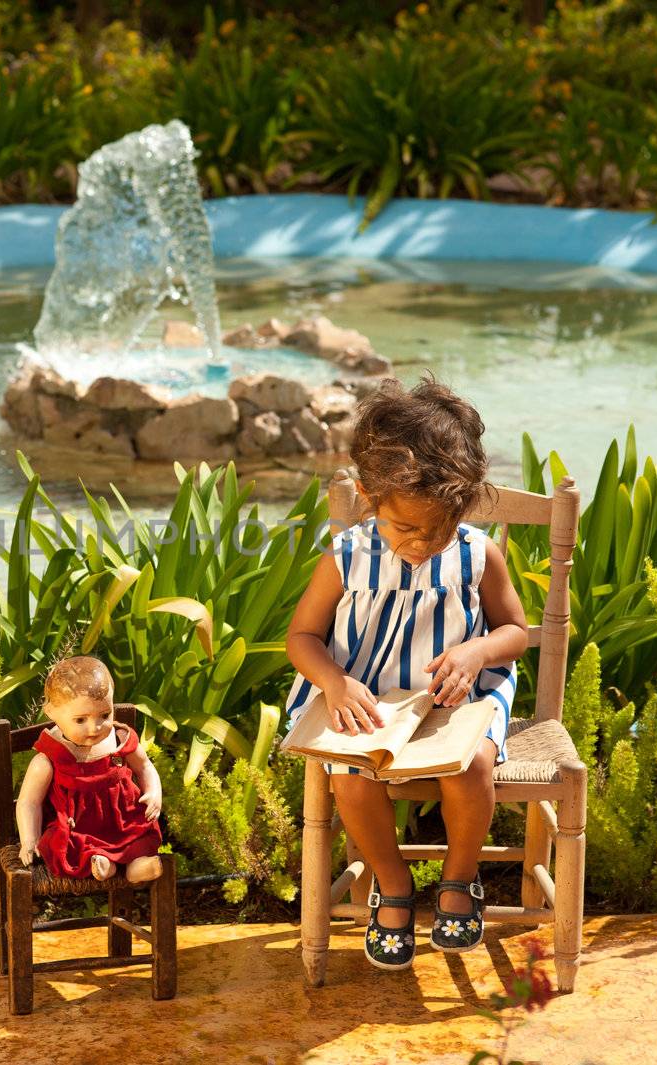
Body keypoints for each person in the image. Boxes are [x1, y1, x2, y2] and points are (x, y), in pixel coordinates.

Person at [284, 371, 527, 969]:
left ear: (461, 507)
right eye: (405, 528)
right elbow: (302, 637)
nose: (420, 543)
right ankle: (393, 885)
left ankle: (458, 880)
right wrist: (334, 682)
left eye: (436, 528)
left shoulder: (477, 553)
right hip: (366, 696)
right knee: (350, 771)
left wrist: (475, 653)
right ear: (369, 496)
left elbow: (516, 632)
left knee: (469, 766)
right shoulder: (344, 557)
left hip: (454, 698)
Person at [16, 654, 164, 884]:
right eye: (80, 720)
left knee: (141, 834)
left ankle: (137, 866)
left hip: (122, 822)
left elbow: (145, 767)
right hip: (77, 827)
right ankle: (105, 865)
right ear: (51, 713)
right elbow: (29, 802)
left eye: (104, 715)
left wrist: (154, 792)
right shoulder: (49, 759)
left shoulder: (119, 741)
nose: (94, 728)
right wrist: (28, 839)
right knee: (63, 845)